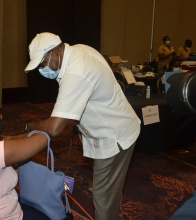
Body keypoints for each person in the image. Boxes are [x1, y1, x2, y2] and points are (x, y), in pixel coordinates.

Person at [24, 32, 141, 220]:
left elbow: (55, 128)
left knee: (103, 198)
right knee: (110, 192)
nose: (41, 70)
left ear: (55, 52)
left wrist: (31, 127)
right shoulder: (80, 49)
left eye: (42, 63)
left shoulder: (76, 72)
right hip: (118, 125)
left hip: (114, 137)